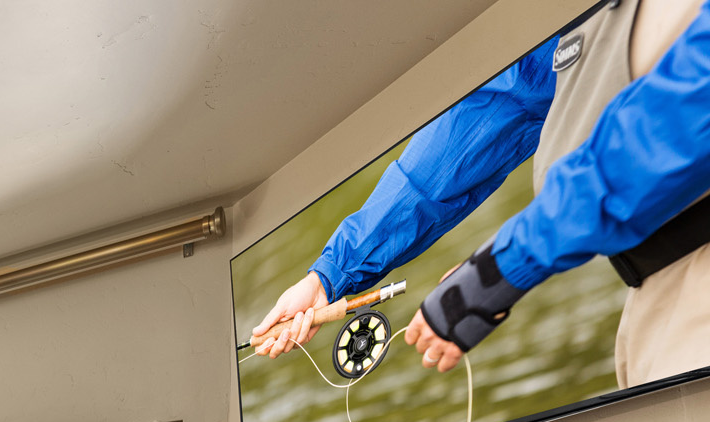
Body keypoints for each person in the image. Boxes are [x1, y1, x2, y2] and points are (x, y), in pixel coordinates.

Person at [251, 0, 710, 390]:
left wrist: (498, 267)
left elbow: (674, 125)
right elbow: (503, 103)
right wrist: (333, 273)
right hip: (654, 293)